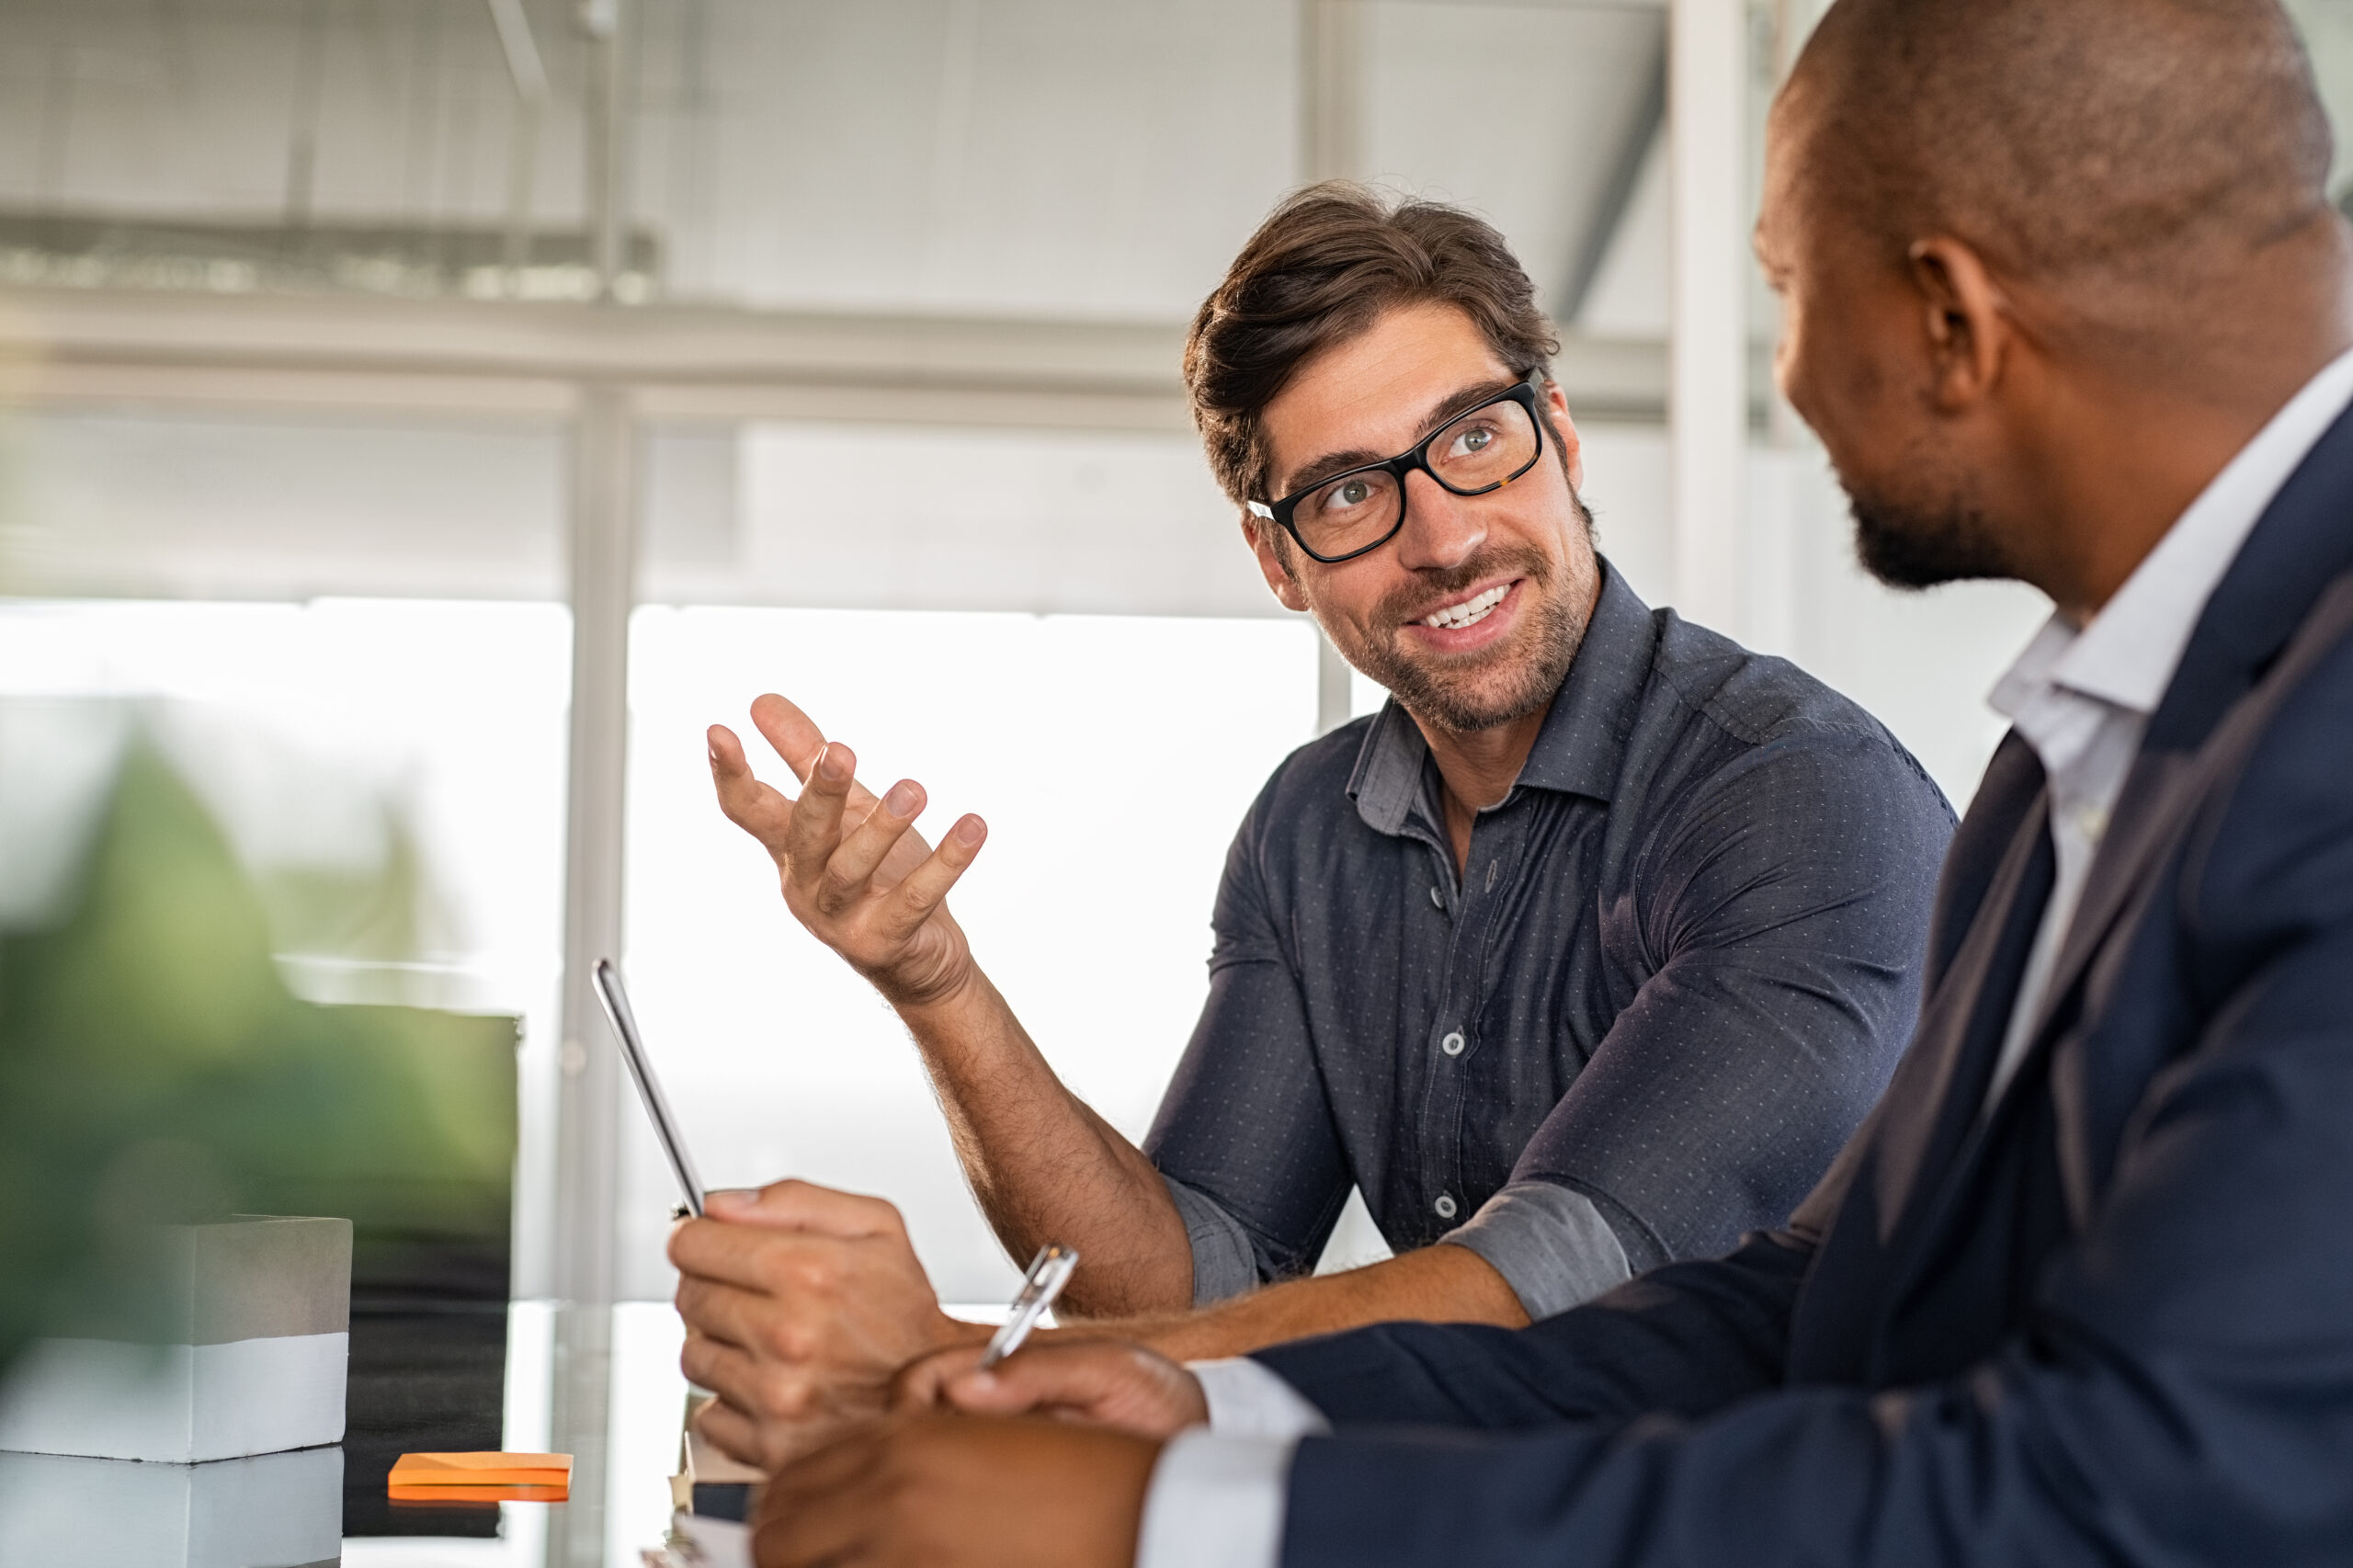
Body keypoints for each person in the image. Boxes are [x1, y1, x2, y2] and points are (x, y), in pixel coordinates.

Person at [744, 0, 2353, 1563]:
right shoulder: (2065, 760)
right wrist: (1190, 1413)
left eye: (1787, 293)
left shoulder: (1867, 786)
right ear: (1278, 556)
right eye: (1357, 493)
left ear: (1946, 315)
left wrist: (1161, 1504)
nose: (1786, 375)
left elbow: (2147, 1489)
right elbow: (1802, 1311)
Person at [671, 189, 1955, 1468]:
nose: (1444, 536)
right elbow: (1177, 1289)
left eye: (1473, 440)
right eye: (1348, 495)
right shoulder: (1309, 828)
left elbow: (1550, 1278)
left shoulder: (1796, 795)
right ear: (1278, 559)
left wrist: (940, 1369)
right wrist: (934, 980)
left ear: (1557, 432)